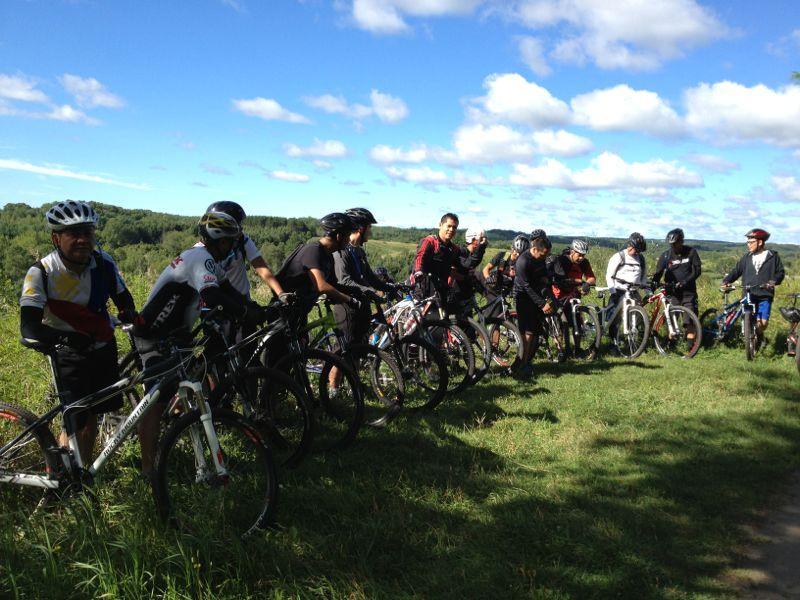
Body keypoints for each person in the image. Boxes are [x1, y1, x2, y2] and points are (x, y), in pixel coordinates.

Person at [133, 210, 257, 480]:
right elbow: (213, 295)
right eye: (229, 241)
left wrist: (253, 307)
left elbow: (228, 291)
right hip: (154, 332)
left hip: (177, 333)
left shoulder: (210, 259)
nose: (233, 247)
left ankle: (178, 423)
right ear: (217, 240)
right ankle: (147, 470)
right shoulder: (199, 257)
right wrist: (244, 313)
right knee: (155, 399)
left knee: (192, 377)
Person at [20, 200, 136, 464]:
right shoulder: (41, 272)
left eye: (88, 232)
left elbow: (123, 298)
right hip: (68, 354)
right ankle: (67, 472)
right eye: (74, 233)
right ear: (56, 238)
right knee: (76, 418)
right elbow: (28, 328)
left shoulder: (103, 262)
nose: (83, 239)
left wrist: (131, 315)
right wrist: (66, 339)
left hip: (102, 345)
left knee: (94, 414)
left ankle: (78, 471)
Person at [275, 212, 362, 317]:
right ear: (339, 236)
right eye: (348, 236)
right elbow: (321, 286)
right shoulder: (313, 250)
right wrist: (350, 300)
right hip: (282, 312)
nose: (349, 240)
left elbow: (333, 284)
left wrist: (358, 291)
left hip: (297, 311)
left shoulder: (328, 255)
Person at [202, 201, 287, 301]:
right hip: (217, 302)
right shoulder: (200, 252)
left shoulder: (242, 240)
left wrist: (281, 294)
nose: (241, 229)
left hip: (242, 299)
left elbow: (262, 268)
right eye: (237, 225)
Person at [332, 207, 392, 345]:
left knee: (359, 352)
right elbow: (344, 280)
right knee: (344, 355)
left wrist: (389, 288)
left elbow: (370, 277)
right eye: (369, 227)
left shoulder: (359, 251)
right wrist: (369, 291)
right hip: (346, 307)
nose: (370, 232)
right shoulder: (342, 251)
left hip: (360, 306)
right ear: (360, 228)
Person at [721, 228, 785, 345]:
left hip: (765, 294)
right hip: (748, 294)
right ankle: (750, 341)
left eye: (751, 242)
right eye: (747, 242)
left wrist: (773, 281)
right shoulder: (746, 257)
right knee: (747, 321)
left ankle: (760, 335)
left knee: (763, 323)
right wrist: (726, 281)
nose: (748, 245)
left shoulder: (773, 256)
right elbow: (737, 271)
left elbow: (780, 272)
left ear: (760, 242)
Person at [411, 213, 482, 307]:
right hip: (422, 290)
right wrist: (418, 271)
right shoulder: (430, 241)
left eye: (454, 227)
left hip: (440, 293)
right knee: (418, 320)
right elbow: (420, 257)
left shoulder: (453, 249)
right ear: (440, 225)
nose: (451, 230)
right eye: (448, 226)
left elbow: (466, 265)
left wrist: (480, 250)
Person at [513, 236, 555, 378]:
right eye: (543, 254)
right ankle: (522, 365)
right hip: (523, 297)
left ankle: (527, 361)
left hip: (536, 295)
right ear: (535, 249)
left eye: (547, 254)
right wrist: (542, 304)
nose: (545, 257)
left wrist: (548, 291)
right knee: (528, 333)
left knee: (536, 332)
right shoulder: (523, 261)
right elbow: (526, 287)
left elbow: (543, 277)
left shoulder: (540, 258)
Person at [651, 228, 702, 341]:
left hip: (688, 292)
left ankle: (690, 350)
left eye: (676, 244)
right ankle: (671, 345)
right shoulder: (666, 255)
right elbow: (658, 273)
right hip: (672, 293)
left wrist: (685, 282)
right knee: (672, 322)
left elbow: (697, 271)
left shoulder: (691, 252)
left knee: (689, 322)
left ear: (681, 241)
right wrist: (653, 284)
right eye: (671, 244)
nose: (674, 246)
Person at [605, 233, 648, 350]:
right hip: (618, 291)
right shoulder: (618, 256)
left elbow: (643, 276)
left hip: (634, 292)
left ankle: (634, 341)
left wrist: (645, 288)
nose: (637, 252)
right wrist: (613, 291)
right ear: (629, 245)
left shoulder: (641, 259)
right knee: (615, 318)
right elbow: (609, 276)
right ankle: (613, 342)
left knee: (637, 316)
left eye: (639, 250)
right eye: (635, 249)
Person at [481, 234, 528, 319]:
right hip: (492, 286)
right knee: (495, 318)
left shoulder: (522, 264)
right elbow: (485, 269)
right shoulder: (503, 256)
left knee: (505, 316)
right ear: (512, 248)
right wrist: (488, 278)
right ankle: (483, 328)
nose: (517, 256)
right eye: (516, 252)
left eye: (521, 255)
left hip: (505, 291)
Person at [448, 226, 488, 315]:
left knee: (470, 327)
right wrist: (480, 249)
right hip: (456, 296)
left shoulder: (473, 253)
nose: (484, 241)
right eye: (481, 239)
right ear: (473, 240)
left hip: (467, 294)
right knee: (460, 325)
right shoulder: (461, 252)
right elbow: (467, 265)